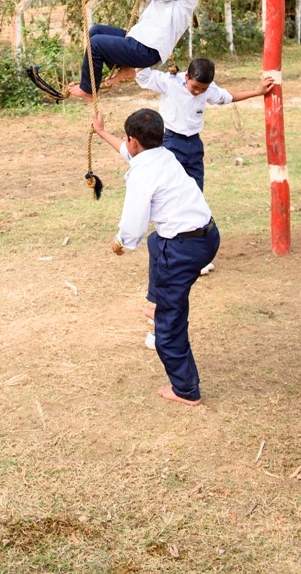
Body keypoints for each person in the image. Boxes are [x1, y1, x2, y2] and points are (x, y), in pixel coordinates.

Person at [91, 107, 220, 406]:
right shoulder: (163, 155)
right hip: (207, 236)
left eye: (128, 139)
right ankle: (158, 301)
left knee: (170, 325)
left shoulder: (142, 174)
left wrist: (120, 242)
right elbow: (129, 153)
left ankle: (186, 390)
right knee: (155, 241)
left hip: (185, 249)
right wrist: (100, 132)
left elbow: (134, 219)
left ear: (134, 139)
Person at [67, 0, 216, 100]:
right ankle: (125, 68)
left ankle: (88, 90)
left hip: (147, 48)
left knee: (96, 44)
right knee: (96, 31)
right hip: (140, 40)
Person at [109, 57, 275, 190]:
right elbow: (144, 76)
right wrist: (147, 54)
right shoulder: (170, 82)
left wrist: (257, 92)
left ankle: (193, 228)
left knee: (195, 188)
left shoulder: (210, 90)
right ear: (187, 76)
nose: (198, 92)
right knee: (170, 187)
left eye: (203, 89)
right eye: (195, 87)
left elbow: (229, 97)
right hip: (170, 141)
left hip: (194, 144)